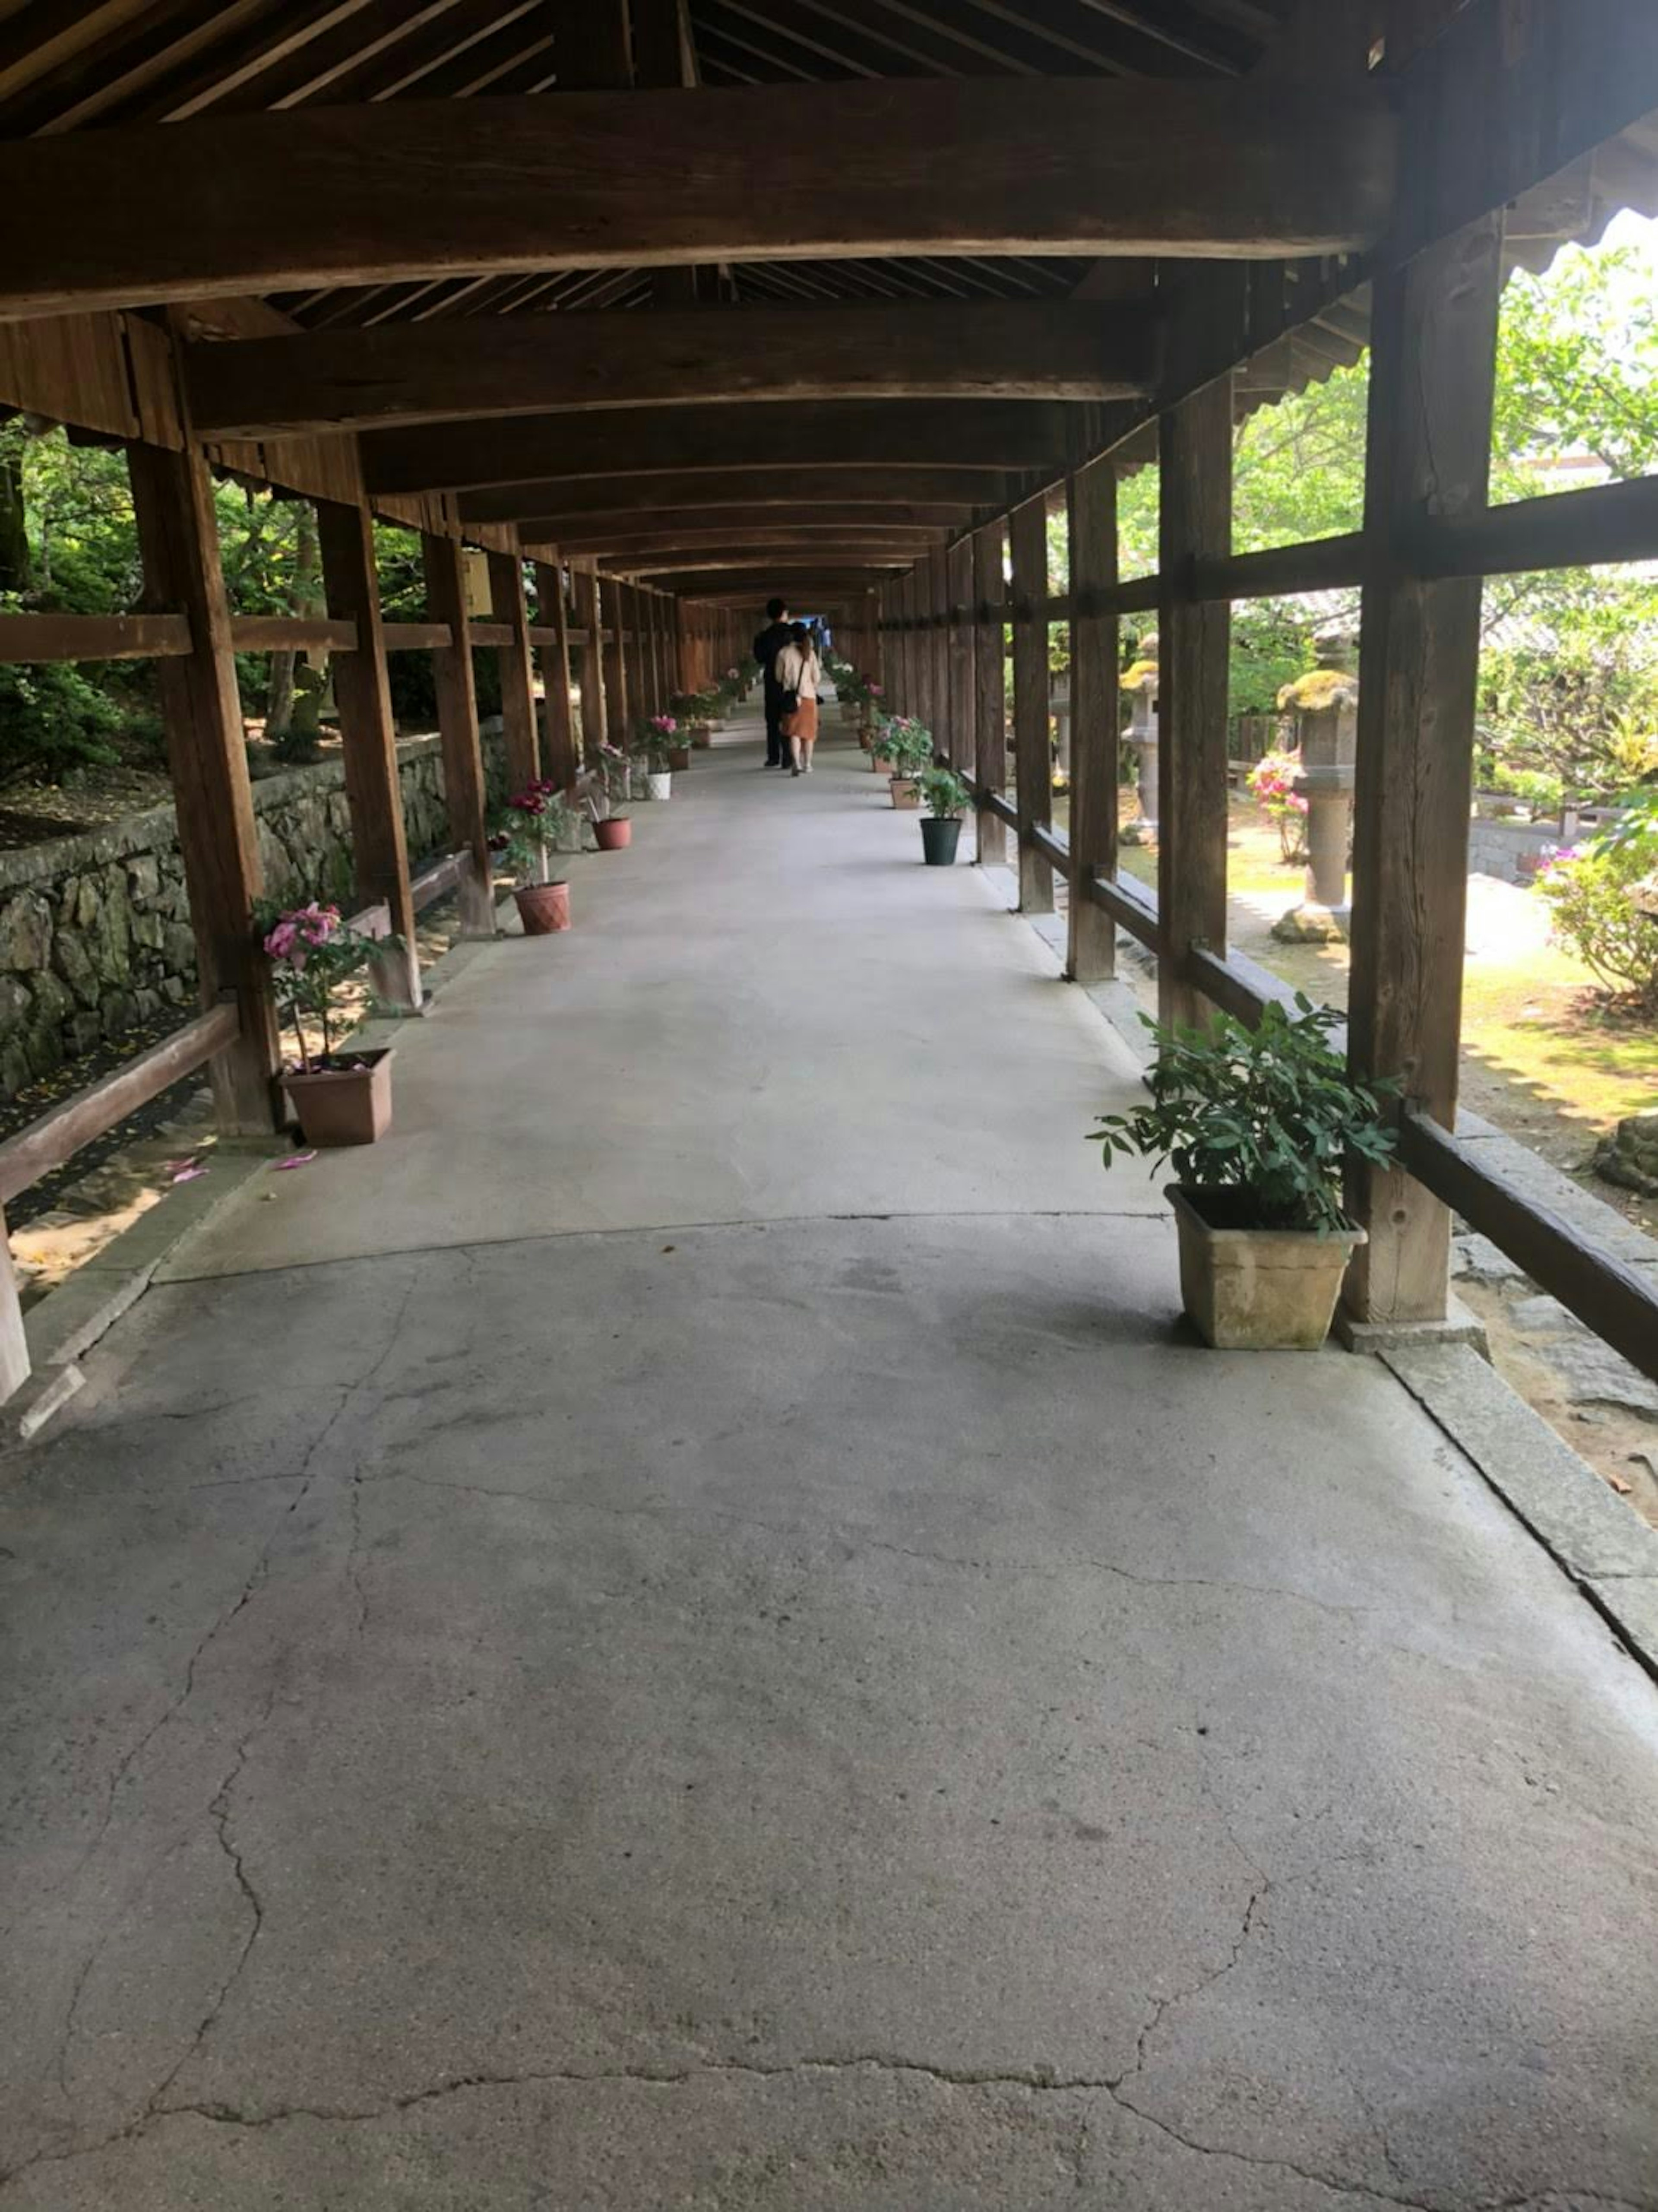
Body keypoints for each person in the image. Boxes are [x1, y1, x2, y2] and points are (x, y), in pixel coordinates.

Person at [775, 621, 823, 776]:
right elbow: (817, 677)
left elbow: (778, 677)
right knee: (809, 734)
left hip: (790, 698)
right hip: (809, 697)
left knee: (794, 733)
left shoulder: (783, 653)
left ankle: (796, 762)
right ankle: (808, 764)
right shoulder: (810, 652)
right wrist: (809, 686)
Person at [753, 596, 794, 769]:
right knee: (789, 717)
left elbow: (759, 658)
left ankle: (773, 756)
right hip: (790, 681)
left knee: (772, 719)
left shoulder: (764, 636)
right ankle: (788, 757)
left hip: (771, 680)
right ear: (784, 613)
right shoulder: (793, 633)